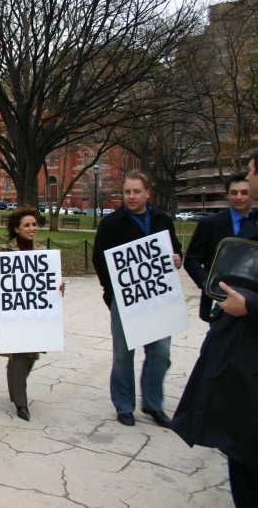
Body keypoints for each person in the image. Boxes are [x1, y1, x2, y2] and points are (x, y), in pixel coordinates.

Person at [172, 155, 258, 508]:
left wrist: (251, 305)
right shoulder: (213, 224)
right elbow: (195, 260)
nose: (244, 188)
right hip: (229, 330)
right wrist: (212, 290)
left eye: (251, 173)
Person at [93, 170, 182, 428]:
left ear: (147, 193)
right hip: (124, 302)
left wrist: (177, 259)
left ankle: (153, 404)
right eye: (127, 192)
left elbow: (174, 249)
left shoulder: (163, 220)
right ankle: (124, 406)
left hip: (159, 300)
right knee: (123, 355)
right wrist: (112, 294)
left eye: (136, 192)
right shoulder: (112, 223)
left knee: (160, 352)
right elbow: (100, 260)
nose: (131, 196)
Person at [0, 207, 65, 421]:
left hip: (35, 314)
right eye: (27, 225)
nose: (32, 228)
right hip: (13, 312)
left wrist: (57, 290)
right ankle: (21, 403)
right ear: (17, 228)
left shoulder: (41, 251)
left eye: (34, 224)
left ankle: (14, 382)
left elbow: (48, 281)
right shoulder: (4, 250)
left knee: (31, 356)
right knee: (19, 355)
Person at [184, 173, 253, 322]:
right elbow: (191, 260)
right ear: (227, 195)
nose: (239, 197)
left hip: (251, 304)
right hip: (217, 303)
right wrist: (208, 286)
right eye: (234, 193)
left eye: (244, 192)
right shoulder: (210, 224)